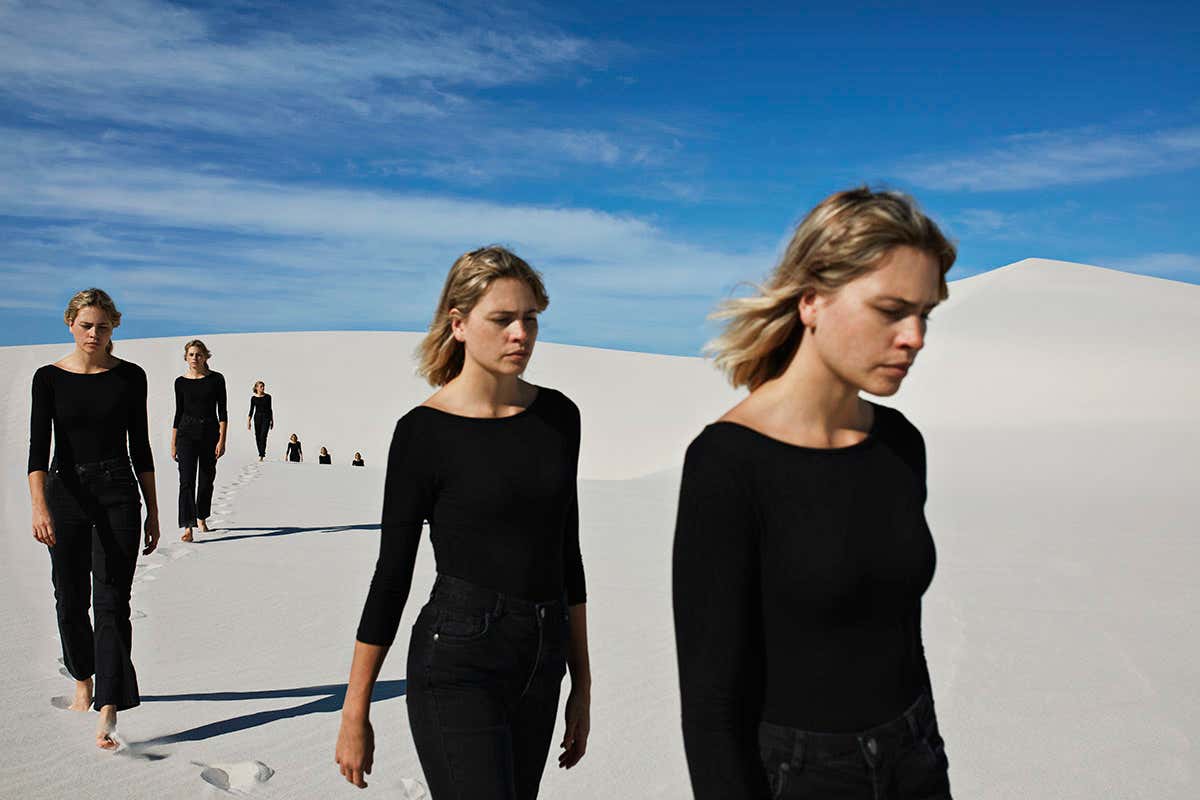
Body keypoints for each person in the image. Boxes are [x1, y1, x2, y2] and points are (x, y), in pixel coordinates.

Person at [672, 188, 956, 800]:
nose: (915, 337)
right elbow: (710, 697)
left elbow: (902, 630)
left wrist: (929, 757)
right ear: (811, 302)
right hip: (799, 777)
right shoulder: (727, 462)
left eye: (925, 314)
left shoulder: (900, 445)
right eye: (890, 310)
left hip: (916, 760)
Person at [336, 246, 591, 798]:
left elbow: (566, 554)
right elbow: (391, 576)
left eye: (530, 318)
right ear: (459, 324)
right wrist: (355, 711)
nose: (520, 334)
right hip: (459, 657)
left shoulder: (558, 417)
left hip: (543, 658)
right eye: (502, 320)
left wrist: (582, 683)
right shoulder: (423, 434)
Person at [27, 288, 161, 750]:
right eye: (86, 325)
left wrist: (154, 510)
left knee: (112, 601)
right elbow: (36, 451)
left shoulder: (130, 377)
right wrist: (39, 505)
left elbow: (140, 446)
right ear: (70, 324)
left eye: (103, 326)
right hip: (64, 494)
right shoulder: (48, 378)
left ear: (114, 328)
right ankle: (82, 678)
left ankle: (109, 705)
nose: (94, 333)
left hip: (119, 493)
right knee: (68, 598)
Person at [171, 340, 227, 542]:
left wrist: (222, 440)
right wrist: (173, 442)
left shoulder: (216, 380)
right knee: (186, 480)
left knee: (206, 479)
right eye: (191, 354)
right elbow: (178, 413)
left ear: (206, 356)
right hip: (186, 434)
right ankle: (188, 526)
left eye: (199, 354)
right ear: (186, 357)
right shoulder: (180, 382)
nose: (195, 358)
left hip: (210, 434)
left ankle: (201, 516)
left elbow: (223, 412)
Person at [247, 381, 274, 461]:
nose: (263, 388)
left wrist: (272, 420)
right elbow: (251, 410)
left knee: (263, 436)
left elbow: (270, 409)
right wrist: (248, 421)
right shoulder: (253, 398)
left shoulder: (268, 397)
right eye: (261, 386)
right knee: (258, 436)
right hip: (257, 418)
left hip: (266, 417)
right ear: (256, 388)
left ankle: (262, 455)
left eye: (263, 386)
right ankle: (260, 452)